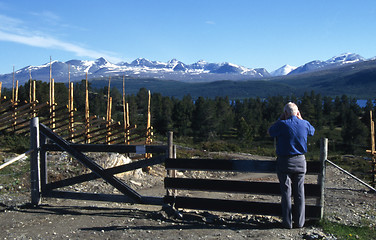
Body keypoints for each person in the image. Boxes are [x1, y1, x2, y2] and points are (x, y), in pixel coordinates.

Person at [268, 102, 315, 229]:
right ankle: (300, 223)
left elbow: (271, 131)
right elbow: (312, 131)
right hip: (300, 161)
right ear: (297, 112)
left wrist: (280, 118)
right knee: (300, 193)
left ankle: (287, 222)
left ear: (286, 113)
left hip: (284, 162)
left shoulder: (282, 124)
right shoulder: (304, 124)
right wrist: (301, 119)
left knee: (286, 193)